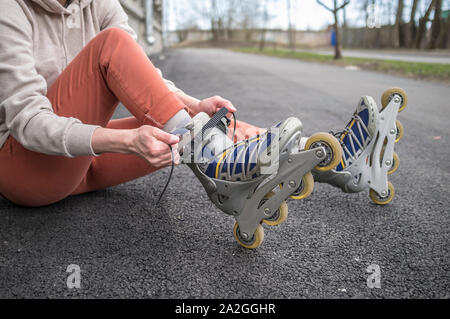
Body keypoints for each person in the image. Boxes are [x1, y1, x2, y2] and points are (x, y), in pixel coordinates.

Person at [0, 0, 404, 211]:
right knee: (114, 49)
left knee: (202, 125)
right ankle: (214, 157)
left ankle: (334, 162)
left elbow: (141, 77)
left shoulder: (101, 3)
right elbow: (28, 122)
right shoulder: (10, 9)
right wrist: (124, 141)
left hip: (84, 166)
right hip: (27, 167)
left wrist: (195, 106)